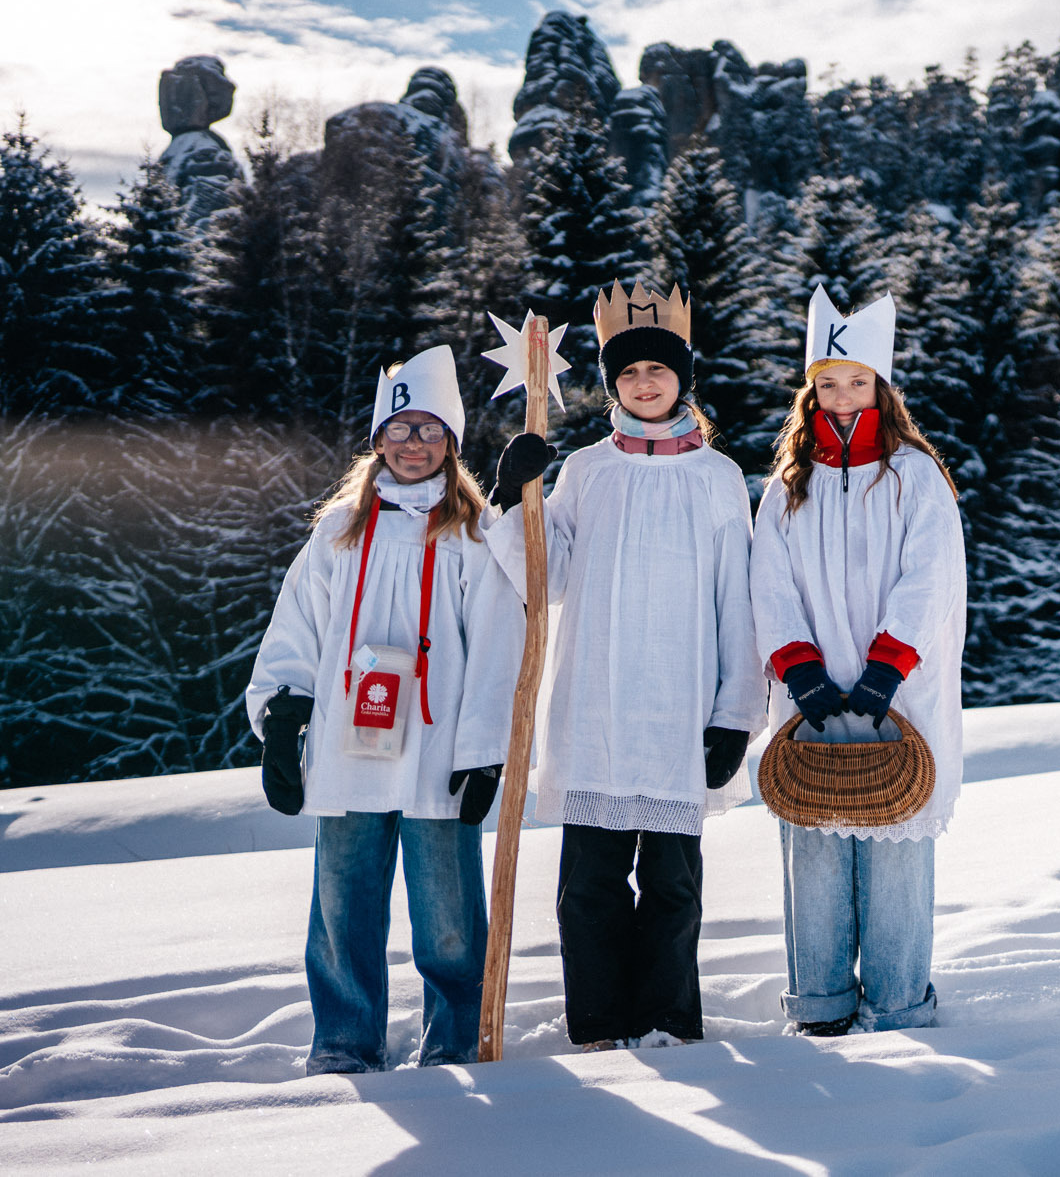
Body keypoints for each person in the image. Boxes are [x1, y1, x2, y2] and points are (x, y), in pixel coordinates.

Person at [487, 282, 763, 1051]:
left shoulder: (717, 477)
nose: (645, 383)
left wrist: (735, 714)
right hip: (597, 704)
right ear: (612, 384)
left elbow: (738, 603)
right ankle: (600, 1022)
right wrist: (514, 499)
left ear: (683, 380)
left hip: (681, 704)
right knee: (591, 883)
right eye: (629, 372)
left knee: (672, 882)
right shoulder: (586, 471)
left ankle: (668, 1018)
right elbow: (549, 577)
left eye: (658, 370)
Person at [248, 345, 520, 1075]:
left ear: (451, 442)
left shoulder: (473, 532)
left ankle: (455, 1036)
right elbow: (298, 625)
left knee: (449, 917)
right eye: (399, 430)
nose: (413, 444)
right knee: (343, 905)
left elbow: (498, 641)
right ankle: (345, 1036)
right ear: (378, 440)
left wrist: (484, 749)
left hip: (437, 747)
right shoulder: (340, 528)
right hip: (350, 744)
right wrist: (284, 718)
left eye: (429, 430)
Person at [750, 286, 967, 1036]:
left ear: (882, 387)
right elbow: (768, 581)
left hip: (896, 695)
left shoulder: (914, 475)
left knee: (896, 849)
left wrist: (887, 666)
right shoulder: (788, 486)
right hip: (812, 696)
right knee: (814, 845)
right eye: (829, 382)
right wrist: (797, 665)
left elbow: (929, 577)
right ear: (811, 391)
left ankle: (900, 1003)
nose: (843, 397)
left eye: (858, 381)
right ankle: (820, 1004)